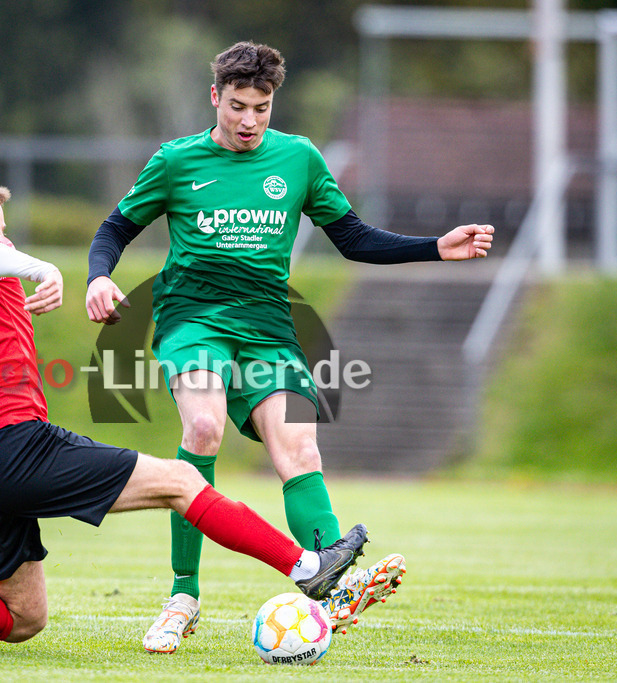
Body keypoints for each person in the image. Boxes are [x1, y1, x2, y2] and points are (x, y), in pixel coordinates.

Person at [85, 41, 494, 652]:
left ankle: (332, 579)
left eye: (263, 107)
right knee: (202, 429)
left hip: (269, 326)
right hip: (193, 319)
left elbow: (353, 238)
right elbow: (116, 227)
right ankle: (183, 594)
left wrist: (435, 246)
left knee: (300, 445)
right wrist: (99, 275)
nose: (250, 121)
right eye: (239, 106)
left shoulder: (299, 158)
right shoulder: (175, 161)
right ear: (215, 97)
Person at [0, 178, 369, 651]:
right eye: (1, 229)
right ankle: (308, 568)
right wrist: (43, 269)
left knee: (24, 617)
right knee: (182, 480)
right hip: (15, 444)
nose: (5, 238)